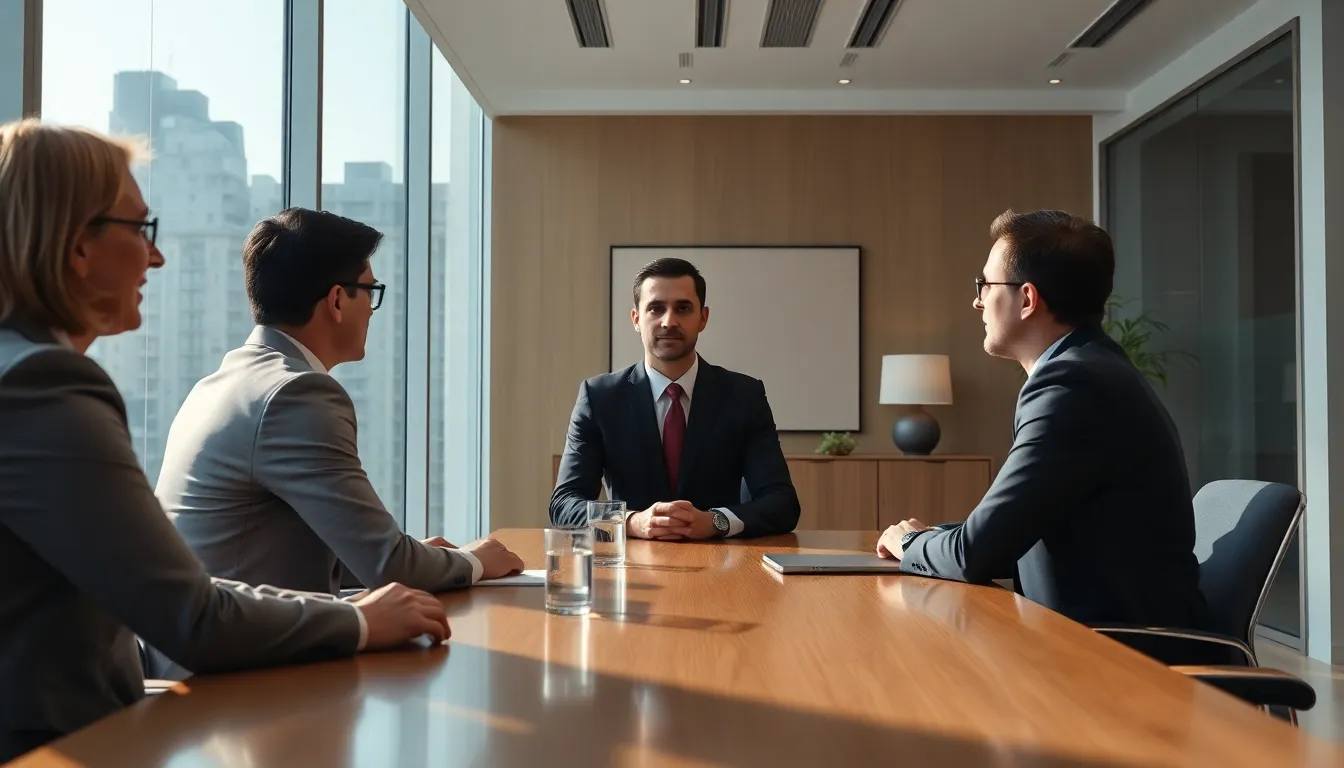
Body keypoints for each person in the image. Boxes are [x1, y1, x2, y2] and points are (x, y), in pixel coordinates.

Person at [0, 119, 448, 762]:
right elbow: (192, 615)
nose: (156, 257)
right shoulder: (44, 385)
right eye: (141, 230)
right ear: (77, 246)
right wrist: (357, 620)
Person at [156, 208, 524, 598]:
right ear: (336, 300)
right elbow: (388, 565)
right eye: (370, 292)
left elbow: (281, 547)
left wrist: (417, 556)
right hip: (246, 654)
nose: (370, 309)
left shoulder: (218, 385)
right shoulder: (296, 395)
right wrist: (478, 561)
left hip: (204, 645)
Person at [876, 209, 1207, 628]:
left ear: (1028, 299)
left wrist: (911, 543)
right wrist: (935, 538)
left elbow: (975, 555)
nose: (977, 300)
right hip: (1091, 635)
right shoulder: (1092, 367)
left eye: (985, 285)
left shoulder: (1072, 385)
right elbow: (1014, 528)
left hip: (1118, 656)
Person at [549, 257, 800, 540]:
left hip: (723, 567)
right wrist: (631, 521)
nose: (669, 321)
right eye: (656, 308)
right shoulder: (599, 398)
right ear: (636, 319)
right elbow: (564, 504)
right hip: (630, 566)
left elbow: (782, 503)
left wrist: (716, 521)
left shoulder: (744, 396)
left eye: (683, 308)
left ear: (703, 318)